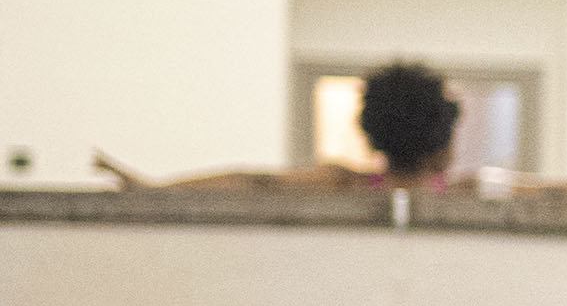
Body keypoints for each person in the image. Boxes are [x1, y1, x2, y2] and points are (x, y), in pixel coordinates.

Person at [100, 60, 463, 193]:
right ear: (441, 141)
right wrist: (153, 189)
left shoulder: (347, 183)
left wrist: (157, 189)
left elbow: (251, 181)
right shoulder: (464, 192)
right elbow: (252, 182)